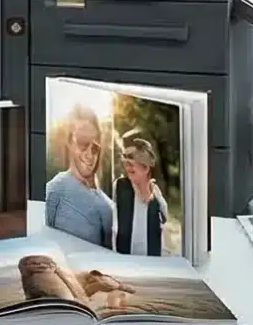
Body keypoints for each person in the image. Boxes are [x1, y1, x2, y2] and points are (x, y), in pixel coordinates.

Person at [43, 103, 115, 247]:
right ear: (69, 143)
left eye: (95, 148)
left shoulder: (108, 205)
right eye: (82, 143)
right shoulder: (55, 189)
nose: (89, 155)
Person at [113, 133, 169, 257]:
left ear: (146, 168)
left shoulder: (155, 192)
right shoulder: (120, 186)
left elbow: (164, 219)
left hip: (149, 259)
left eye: (133, 164)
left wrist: (150, 194)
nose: (128, 167)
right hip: (124, 257)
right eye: (126, 163)